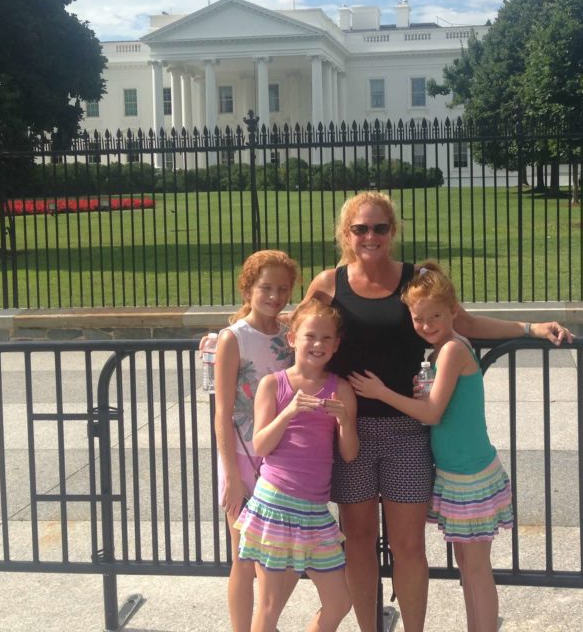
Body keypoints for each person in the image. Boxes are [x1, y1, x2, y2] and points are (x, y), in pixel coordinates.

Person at [302, 191, 572, 632]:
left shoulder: (415, 279)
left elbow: (463, 323)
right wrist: (232, 339)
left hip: (408, 430)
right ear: (346, 234)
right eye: (360, 229)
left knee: (409, 545)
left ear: (393, 231)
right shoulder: (329, 283)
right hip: (349, 429)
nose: (370, 237)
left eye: (380, 228)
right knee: (360, 543)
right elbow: (298, 332)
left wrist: (530, 328)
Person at [349, 261, 512, 632]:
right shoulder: (440, 352)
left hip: (469, 471)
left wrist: (381, 393)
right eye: (418, 318)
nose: (426, 325)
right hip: (458, 470)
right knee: (469, 568)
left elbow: (433, 413)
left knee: (474, 569)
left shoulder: (453, 349)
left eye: (435, 315)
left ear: (453, 311)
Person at [233, 297, 359, 632]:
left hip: (314, 511)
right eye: (310, 336)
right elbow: (260, 444)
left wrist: (345, 422)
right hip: (277, 503)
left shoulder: (341, 388)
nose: (317, 344)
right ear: (293, 339)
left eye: (326, 338)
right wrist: (288, 413)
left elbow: (349, 453)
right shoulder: (274, 384)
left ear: (336, 345)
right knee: (271, 605)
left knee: (339, 603)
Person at [206, 249, 299, 632]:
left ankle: (266, 623)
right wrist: (230, 474)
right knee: (244, 557)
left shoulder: (289, 334)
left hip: (281, 458)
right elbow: (222, 412)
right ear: (248, 288)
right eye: (266, 288)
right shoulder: (233, 338)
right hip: (243, 457)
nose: (274, 296)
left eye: (282, 288)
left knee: (284, 555)